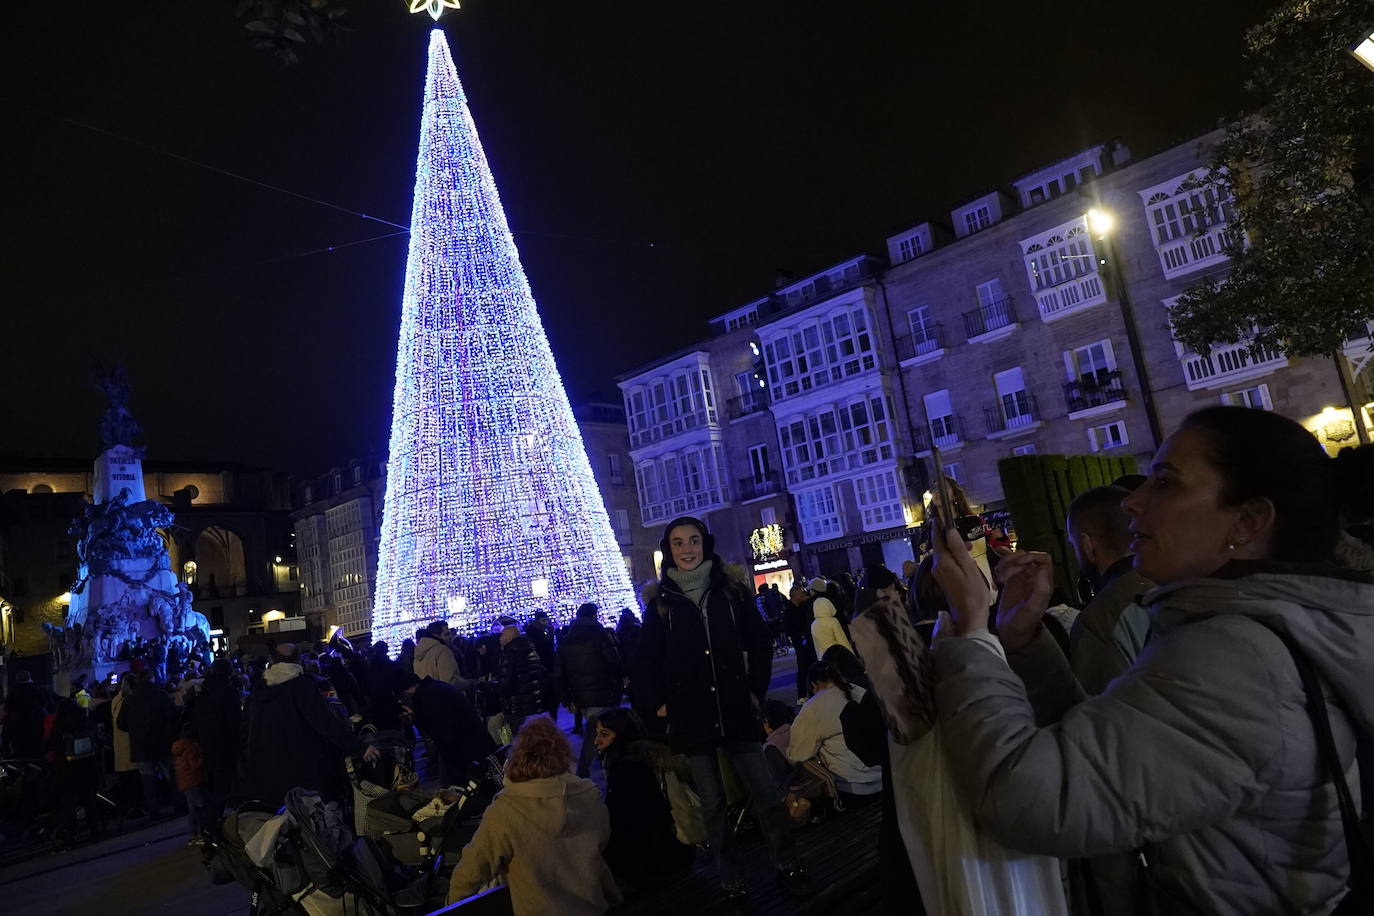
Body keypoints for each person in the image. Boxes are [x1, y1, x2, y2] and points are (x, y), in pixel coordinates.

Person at [929, 405, 1374, 914]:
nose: (1133, 502)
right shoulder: (1248, 625)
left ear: (1248, 521)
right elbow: (1111, 755)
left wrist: (969, 635)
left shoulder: (1238, 654)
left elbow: (1024, 796)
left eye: (1165, 482)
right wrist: (1023, 640)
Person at [636, 516, 810, 904]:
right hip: (692, 716)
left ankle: (787, 865)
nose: (687, 549)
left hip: (734, 708)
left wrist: (755, 690)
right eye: (678, 543)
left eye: (693, 541)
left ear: (705, 544)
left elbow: (760, 642)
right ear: (669, 549)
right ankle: (732, 881)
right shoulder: (662, 603)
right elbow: (644, 659)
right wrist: (658, 705)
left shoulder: (730, 591)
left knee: (765, 792)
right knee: (713, 805)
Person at [447, 715, 622, 915]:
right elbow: (600, 847)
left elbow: (472, 869)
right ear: (563, 753)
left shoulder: (507, 808)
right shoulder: (589, 795)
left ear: (519, 756)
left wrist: (452, 905)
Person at [238, 643, 378, 809]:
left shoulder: (257, 692)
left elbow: (245, 732)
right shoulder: (301, 686)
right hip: (301, 772)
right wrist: (358, 748)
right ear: (297, 660)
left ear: (273, 660)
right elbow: (325, 723)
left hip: (267, 775)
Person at [1065, 485, 1153, 695]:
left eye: (1074, 544)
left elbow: (1101, 716)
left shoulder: (1098, 621)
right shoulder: (1182, 582)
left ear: (1087, 545)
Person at [593, 707, 695, 886]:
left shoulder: (625, 768)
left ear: (621, 734)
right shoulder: (650, 756)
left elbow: (622, 820)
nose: (597, 741)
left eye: (604, 734)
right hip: (677, 849)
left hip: (651, 859)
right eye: (597, 733)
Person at [787, 660, 881, 797]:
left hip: (855, 785)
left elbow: (797, 756)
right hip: (882, 775)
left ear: (814, 684)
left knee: (807, 761)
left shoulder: (813, 707)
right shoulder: (858, 690)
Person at [555, 603, 623, 779]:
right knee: (598, 733)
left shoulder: (566, 640)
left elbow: (559, 673)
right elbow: (614, 661)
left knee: (596, 730)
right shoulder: (600, 635)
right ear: (594, 616)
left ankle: (596, 767)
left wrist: (567, 698)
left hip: (580, 697)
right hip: (601, 692)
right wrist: (619, 680)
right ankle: (587, 771)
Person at [398, 672, 496, 785]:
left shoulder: (428, 696)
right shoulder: (433, 688)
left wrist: (416, 719)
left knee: (466, 787)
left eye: (403, 695)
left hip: (467, 749)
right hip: (471, 743)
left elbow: (441, 730)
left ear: (410, 687)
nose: (404, 700)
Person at [117, 670, 177, 818]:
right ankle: (177, 803)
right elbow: (174, 715)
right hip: (162, 742)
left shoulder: (129, 700)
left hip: (140, 746)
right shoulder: (161, 695)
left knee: (148, 779)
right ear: (151, 678)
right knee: (170, 774)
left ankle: (153, 809)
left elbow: (121, 724)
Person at [45, 697, 105, 846]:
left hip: (67, 772)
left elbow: (51, 745)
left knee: (69, 808)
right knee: (90, 803)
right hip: (87, 769)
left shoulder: (59, 727)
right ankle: (95, 833)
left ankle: (71, 838)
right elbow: (97, 740)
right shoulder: (85, 722)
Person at [191, 659, 240, 832]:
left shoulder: (203, 693)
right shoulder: (228, 692)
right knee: (224, 787)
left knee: (214, 787)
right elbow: (234, 722)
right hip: (226, 745)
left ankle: (209, 824)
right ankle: (217, 825)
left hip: (207, 744)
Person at [497, 624, 547, 737]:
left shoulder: (509, 653)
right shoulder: (531, 650)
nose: (500, 638)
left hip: (517, 707)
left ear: (509, 638)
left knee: (518, 740)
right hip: (534, 705)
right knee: (534, 737)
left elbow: (507, 683)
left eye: (502, 635)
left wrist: (495, 687)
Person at [171, 722, 207, 844]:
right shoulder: (191, 746)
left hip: (184, 782)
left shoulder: (178, 748)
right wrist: (203, 760)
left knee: (192, 810)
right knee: (201, 806)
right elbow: (194, 764)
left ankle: (192, 835)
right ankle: (202, 833)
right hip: (193, 780)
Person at [783, 586, 818, 703]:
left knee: (811, 663)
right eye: (802, 593)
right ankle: (802, 694)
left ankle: (814, 690)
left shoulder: (804, 606)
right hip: (799, 641)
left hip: (808, 639)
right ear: (796, 595)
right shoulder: (789, 610)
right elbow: (788, 628)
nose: (804, 595)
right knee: (803, 666)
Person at [3, 670, 48, 758]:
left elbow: (7, 707)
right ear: (30, 678)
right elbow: (44, 703)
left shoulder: (13, 692)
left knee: (20, 752)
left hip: (18, 727)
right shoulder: (37, 689)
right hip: (35, 725)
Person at [414, 620, 468, 689]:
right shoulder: (442, 650)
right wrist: (470, 683)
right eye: (446, 634)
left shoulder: (418, 653)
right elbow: (450, 682)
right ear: (436, 635)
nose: (451, 637)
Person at [809, 582, 853, 656]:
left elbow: (817, 646)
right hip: (837, 654)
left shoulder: (814, 624)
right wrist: (851, 654)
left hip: (823, 656)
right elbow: (842, 640)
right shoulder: (833, 621)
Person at [760, 699, 795, 790]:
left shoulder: (771, 748)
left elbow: (775, 782)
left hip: (791, 795)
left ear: (767, 722)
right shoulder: (796, 731)